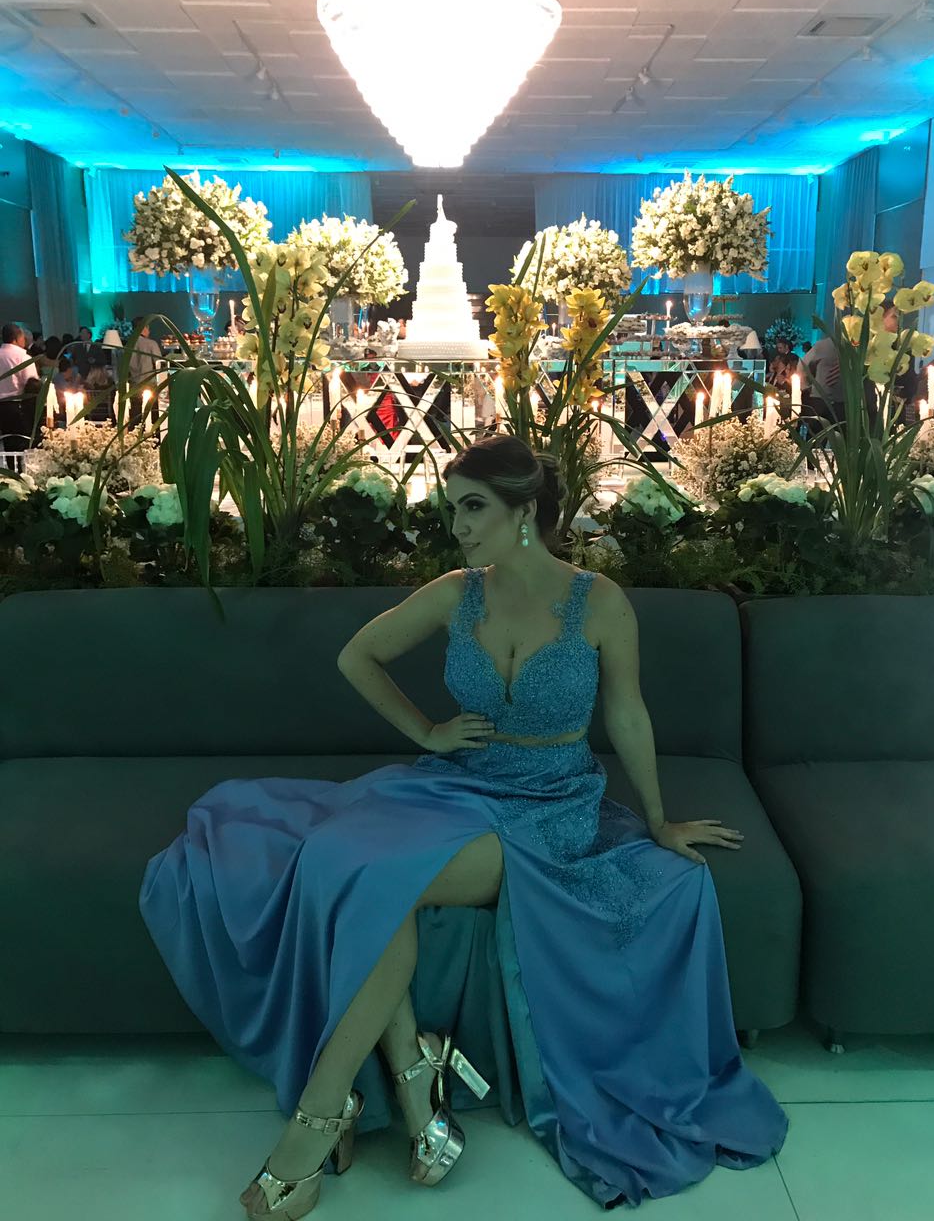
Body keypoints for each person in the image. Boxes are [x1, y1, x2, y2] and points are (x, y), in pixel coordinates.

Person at [139, 434, 788, 1218]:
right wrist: (427, 731)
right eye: (453, 509)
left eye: (473, 507)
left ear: (525, 511)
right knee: (340, 862)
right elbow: (356, 656)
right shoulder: (457, 593)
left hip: (551, 808)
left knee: (379, 880)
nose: (458, 526)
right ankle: (412, 1077)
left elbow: (627, 714)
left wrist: (658, 819)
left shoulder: (599, 601)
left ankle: (318, 1118)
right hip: (456, 785)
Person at [0, 323, 39, 451]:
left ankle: (9, 463)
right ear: (16, 339)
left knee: (7, 443)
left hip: (1, 406)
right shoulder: (23, 357)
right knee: (22, 442)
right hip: (18, 406)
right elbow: (31, 383)